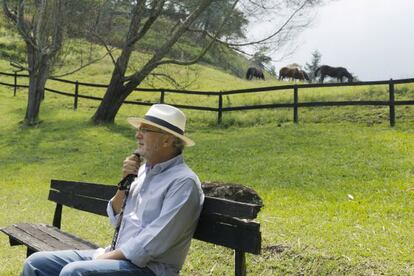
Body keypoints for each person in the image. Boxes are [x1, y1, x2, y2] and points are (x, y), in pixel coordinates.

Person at [22, 104, 204, 276]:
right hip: (117, 256)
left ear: (167, 140)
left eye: (145, 130)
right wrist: (124, 184)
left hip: (149, 269)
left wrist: (102, 259)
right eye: (138, 129)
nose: (137, 135)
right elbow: (116, 218)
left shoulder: (183, 183)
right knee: (36, 263)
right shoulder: (142, 171)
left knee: (74, 272)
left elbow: (151, 244)